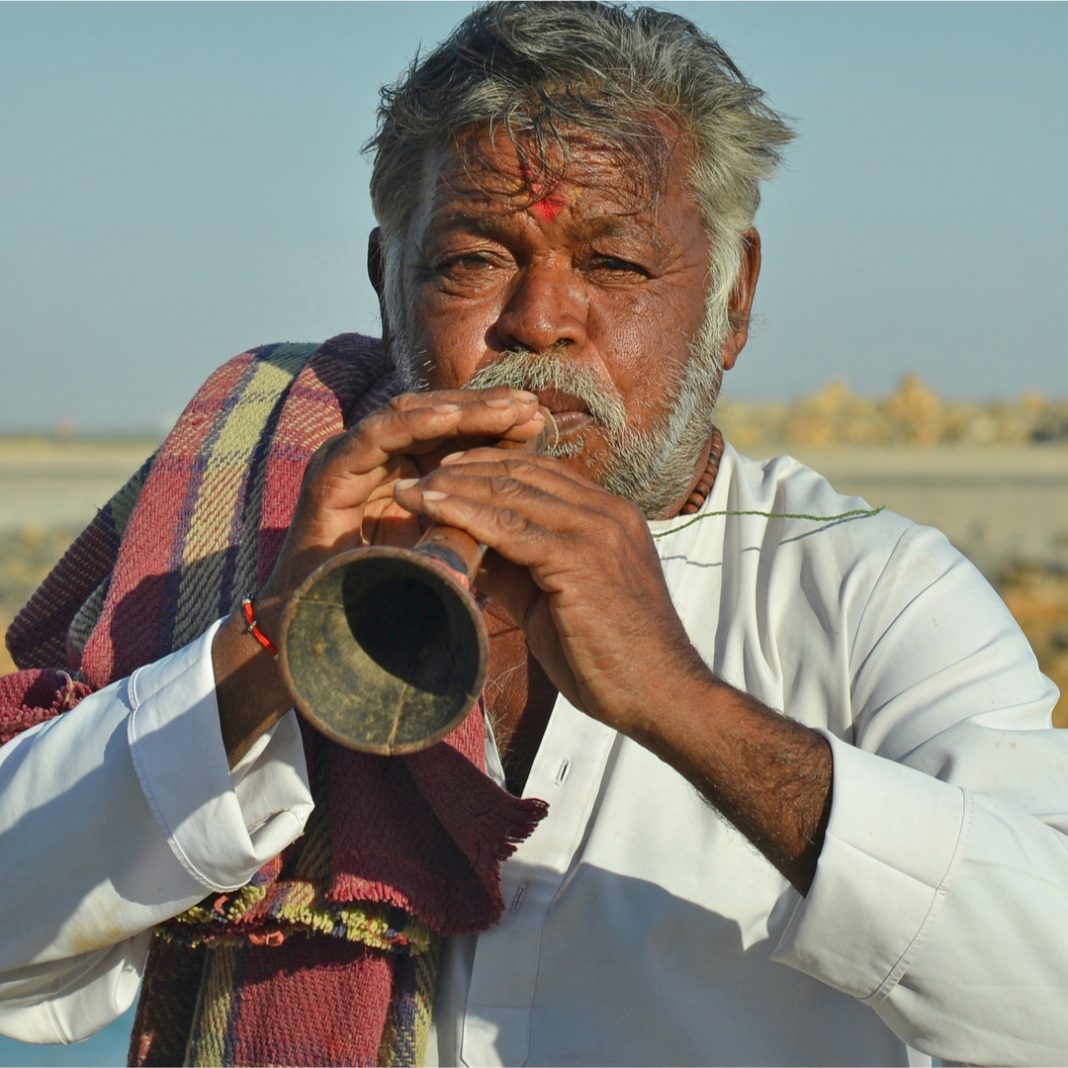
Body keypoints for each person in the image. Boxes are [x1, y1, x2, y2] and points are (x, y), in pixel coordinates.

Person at [1, 3, 1067, 1065]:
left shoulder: (872, 592)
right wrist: (269, 648)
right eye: (472, 261)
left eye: (614, 266)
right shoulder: (281, 530)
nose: (539, 322)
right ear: (387, 284)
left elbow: (1045, 991)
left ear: (732, 303)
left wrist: (679, 701)